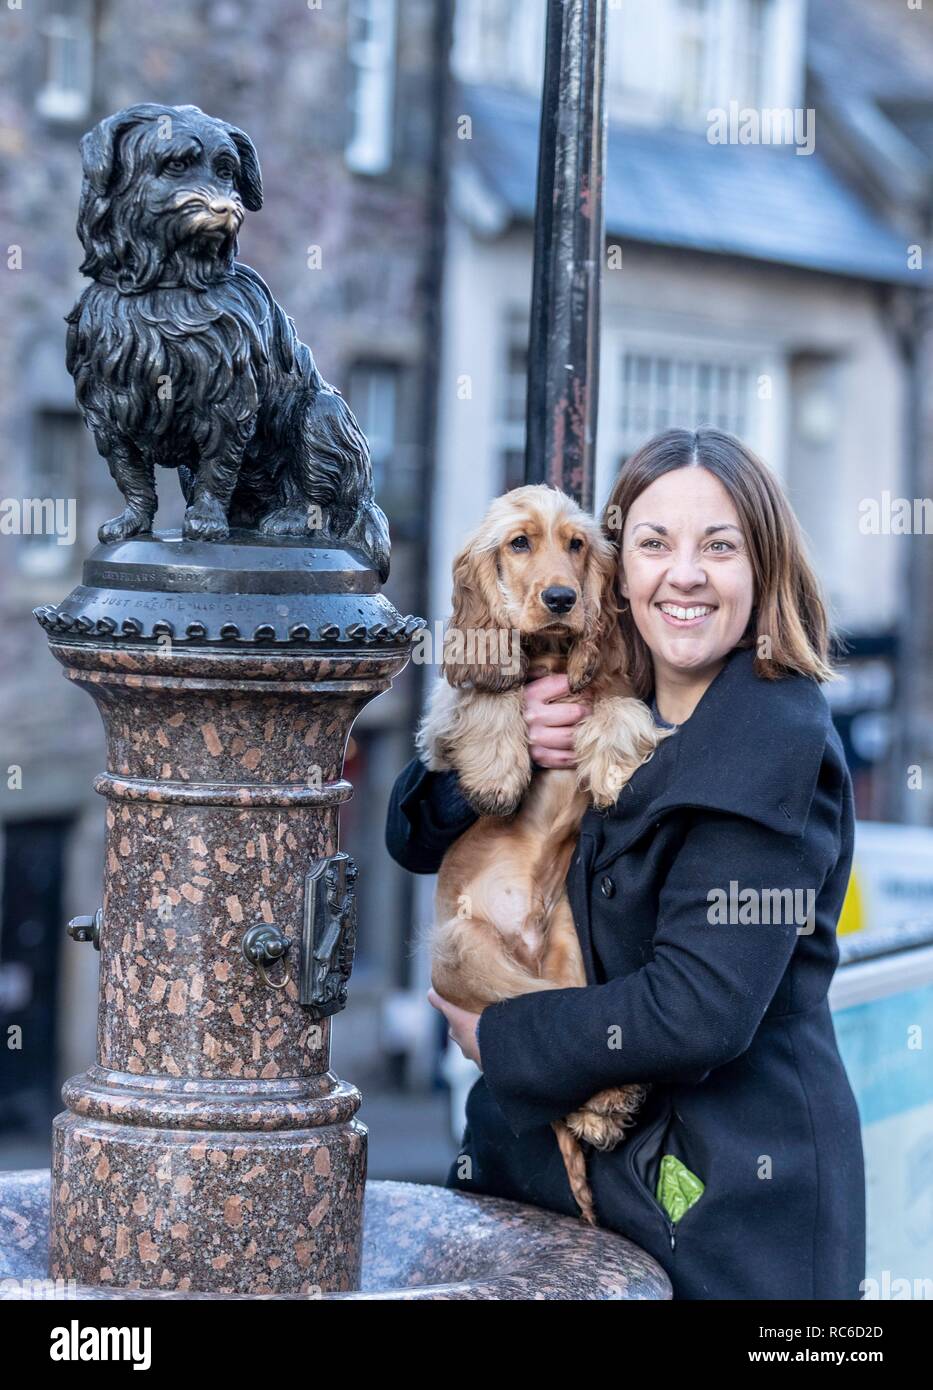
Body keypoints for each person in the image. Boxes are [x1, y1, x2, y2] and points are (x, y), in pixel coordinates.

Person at [384, 427, 866, 1301]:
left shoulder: (771, 742)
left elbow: (700, 1011)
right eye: (652, 544)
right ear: (620, 570)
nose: (682, 574)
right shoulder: (599, 687)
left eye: (718, 546)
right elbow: (411, 840)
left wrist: (496, 1035)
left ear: (763, 567)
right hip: (538, 1194)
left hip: (726, 1221)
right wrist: (510, 751)